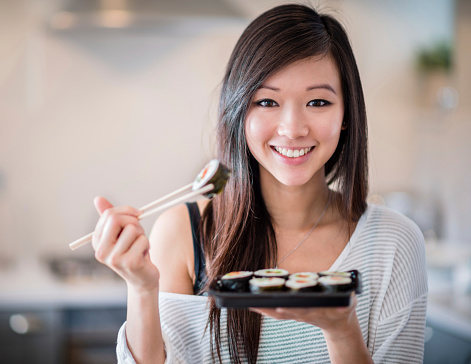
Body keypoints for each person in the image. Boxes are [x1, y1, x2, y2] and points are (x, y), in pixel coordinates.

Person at [91, 4, 428, 364]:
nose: (293, 128)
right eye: (267, 101)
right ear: (239, 113)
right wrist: (142, 288)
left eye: (318, 102)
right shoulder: (183, 232)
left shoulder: (395, 243)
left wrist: (342, 331)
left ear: (346, 115)